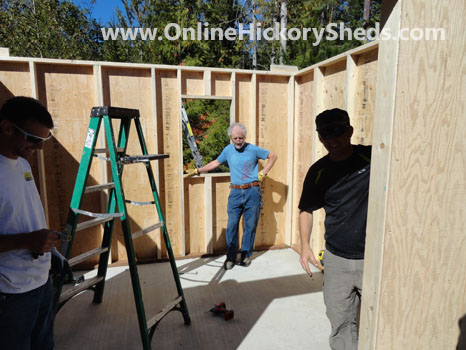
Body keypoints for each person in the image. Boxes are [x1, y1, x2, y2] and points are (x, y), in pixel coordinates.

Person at [298, 108, 371, 350]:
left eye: (338, 132)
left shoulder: (371, 159)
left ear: (349, 131)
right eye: (325, 134)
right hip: (336, 259)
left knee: (376, 320)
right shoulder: (319, 171)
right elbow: (306, 209)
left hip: (372, 260)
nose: (332, 139)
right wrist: (305, 247)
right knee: (340, 323)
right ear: (320, 137)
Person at [0, 96, 60, 350]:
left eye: (44, 140)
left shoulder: (22, 164)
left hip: (40, 281)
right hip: (11, 293)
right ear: (7, 128)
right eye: (34, 139)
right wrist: (28, 241)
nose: (39, 147)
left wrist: (50, 250)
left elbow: (25, 215)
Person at [187, 122, 277, 270]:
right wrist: (198, 171)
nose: (238, 141)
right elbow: (216, 162)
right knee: (232, 226)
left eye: (241, 138)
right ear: (231, 137)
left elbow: (273, 156)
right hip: (235, 193)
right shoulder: (228, 150)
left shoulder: (253, 149)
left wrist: (264, 172)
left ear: (244, 137)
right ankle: (231, 257)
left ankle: (246, 255)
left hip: (252, 192)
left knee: (250, 226)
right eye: (235, 138)